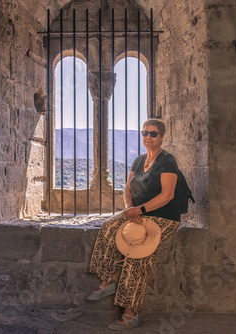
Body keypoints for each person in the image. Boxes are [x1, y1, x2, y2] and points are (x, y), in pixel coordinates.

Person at [87, 119, 181, 330]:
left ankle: (131, 313)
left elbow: (167, 195)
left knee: (138, 252)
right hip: (138, 213)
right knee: (109, 227)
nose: (148, 137)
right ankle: (107, 280)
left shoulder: (167, 161)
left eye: (154, 134)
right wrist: (129, 210)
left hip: (163, 216)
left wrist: (140, 210)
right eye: (145, 132)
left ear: (162, 137)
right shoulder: (139, 161)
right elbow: (128, 188)